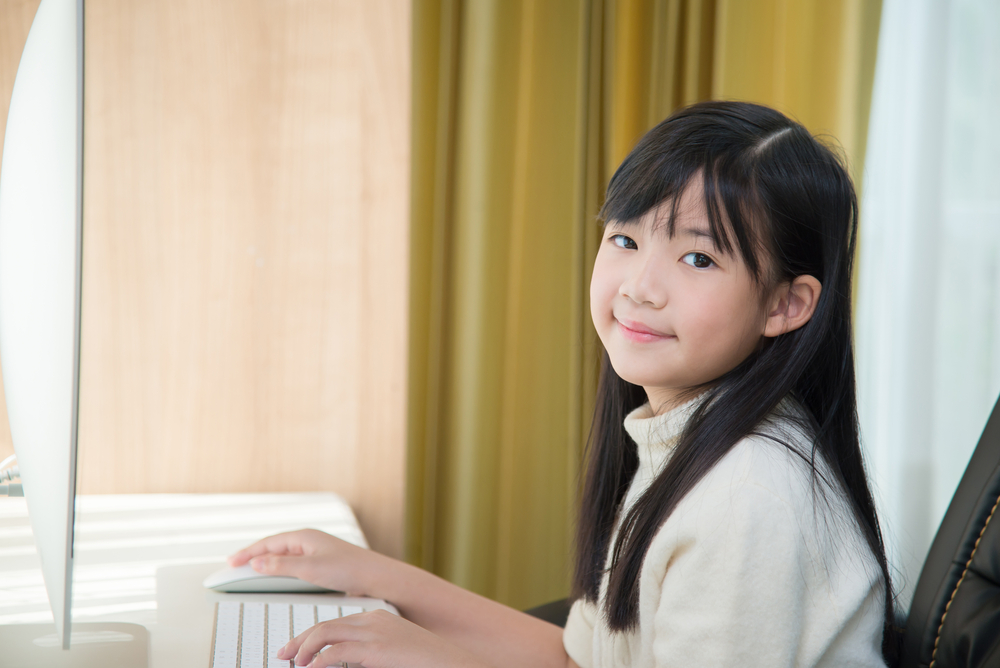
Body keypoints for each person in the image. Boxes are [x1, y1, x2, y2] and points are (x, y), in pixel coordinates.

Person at [228, 101, 896, 668]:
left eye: (698, 256)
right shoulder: (688, 439)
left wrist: (438, 659)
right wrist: (370, 576)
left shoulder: (750, 498)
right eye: (626, 239)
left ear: (787, 304)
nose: (640, 287)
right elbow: (580, 656)